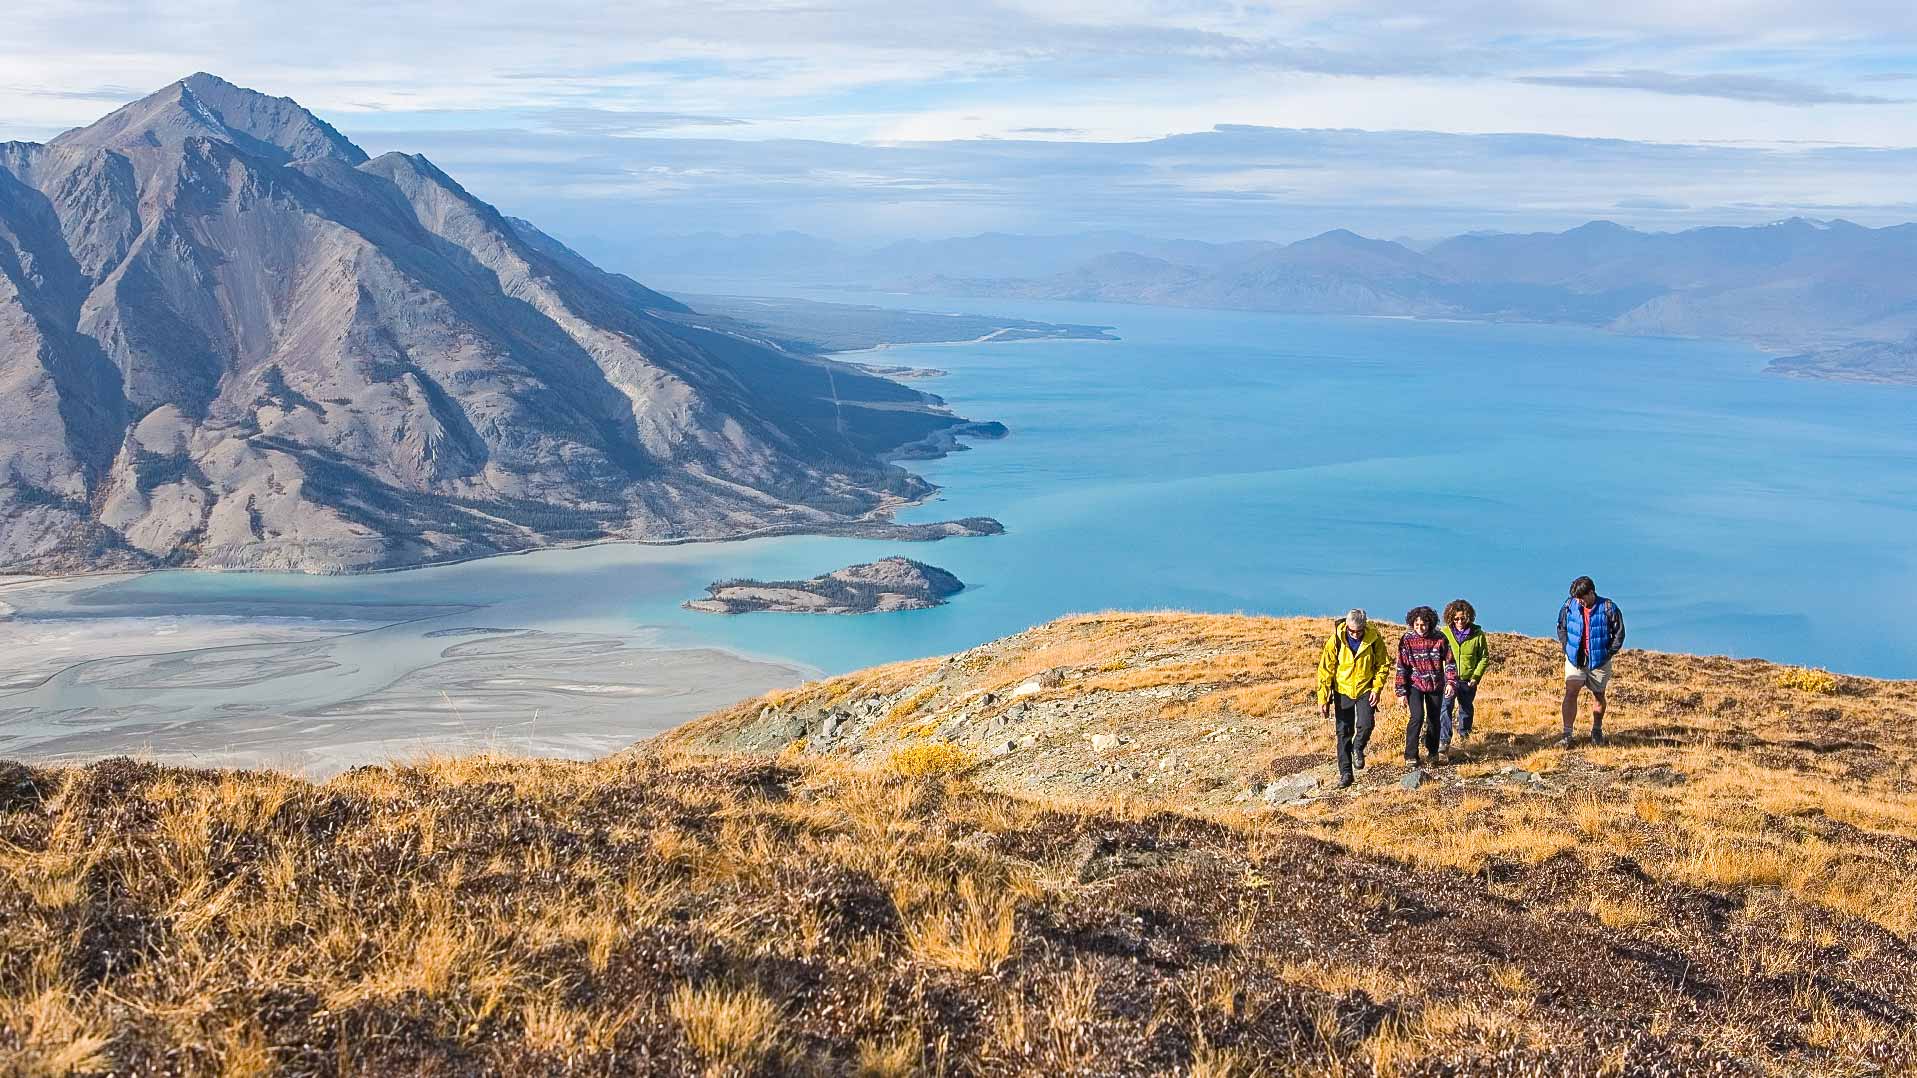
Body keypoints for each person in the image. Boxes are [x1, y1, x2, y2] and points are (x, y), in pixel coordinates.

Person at [1317, 609, 1391, 788]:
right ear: (1347, 627)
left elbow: (1383, 664)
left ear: (1364, 626)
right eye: (1352, 631)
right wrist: (1323, 698)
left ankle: (1358, 747)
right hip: (1341, 689)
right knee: (1343, 733)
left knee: (1366, 724)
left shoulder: (1374, 638)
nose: (1355, 634)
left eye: (1359, 631)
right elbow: (1325, 669)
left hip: (1365, 688)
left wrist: (1377, 688)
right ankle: (1346, 774)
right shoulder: (1336, 639)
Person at [1557, 576, 1625, 747]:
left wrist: (1608, 653)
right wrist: (1567, 647)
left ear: (1591, 593)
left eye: (1581, 597)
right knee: (1571, 692)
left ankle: (1596, 729)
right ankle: (1567, 734)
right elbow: (1561, 626)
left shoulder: (1608, 607)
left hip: (1600, 661)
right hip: (1576, 659)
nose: (1578, 601)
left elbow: (1619, 633)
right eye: (1576, 598)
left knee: (1599, 695)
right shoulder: (1569, 605)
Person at [1395, 606, 1457, 766]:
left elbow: (1450, 662)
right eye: (1416, 625)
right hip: (1414, 684)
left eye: (1423, 624)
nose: (1420, 628)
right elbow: (1401, 666)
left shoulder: (1440, 638)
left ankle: (1432, 752)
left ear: (1430, 623)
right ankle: (1411, 755)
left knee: (1434, 719)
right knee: (1417, 717)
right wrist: (1401, 692)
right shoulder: (1407, 639)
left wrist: (1451, 682)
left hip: (1435, 684)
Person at [1439, 599, 1490, 750]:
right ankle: (1444, 741)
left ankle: (1464, 738)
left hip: (1468, 681)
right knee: (1445, 707)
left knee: (1466, 709)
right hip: (1449, 680)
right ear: (1450, 618)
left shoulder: (1478, 634)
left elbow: (1484, 657)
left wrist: (1476, 677)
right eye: (1456, 618)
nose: (1459, 621)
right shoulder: (1444, 633)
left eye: (1462, 618)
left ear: (1468, 616)